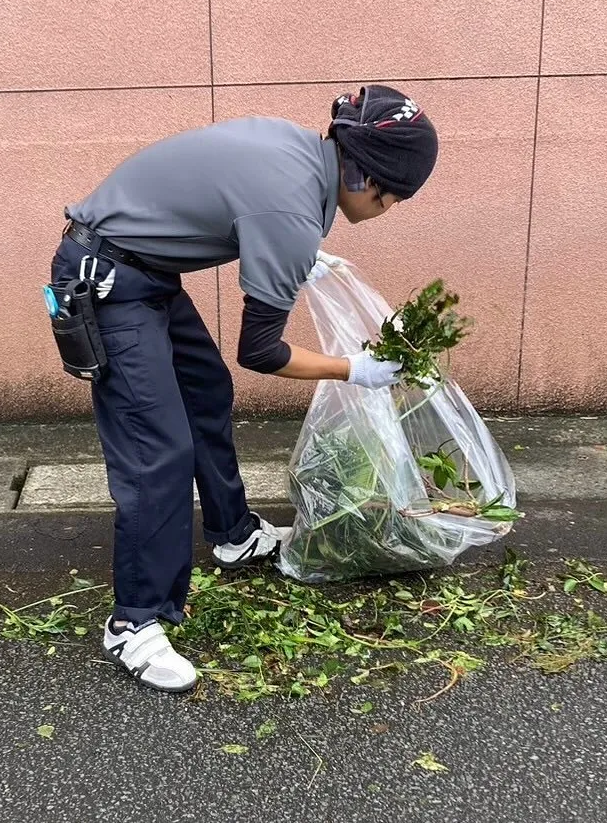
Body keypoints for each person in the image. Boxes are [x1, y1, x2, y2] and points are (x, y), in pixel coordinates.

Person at [49, 85, 438, 692]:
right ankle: (135, 622)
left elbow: (240, 203)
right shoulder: (289, 213)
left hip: (145, 272)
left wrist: (302, 254)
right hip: (106, 282)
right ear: (366, 178)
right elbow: (260, 352)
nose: (391, 208)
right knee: (160, 450)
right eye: (395, 198)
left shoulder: (300, 154)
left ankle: (234, 535)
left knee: (205, 390)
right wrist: (353, 370)